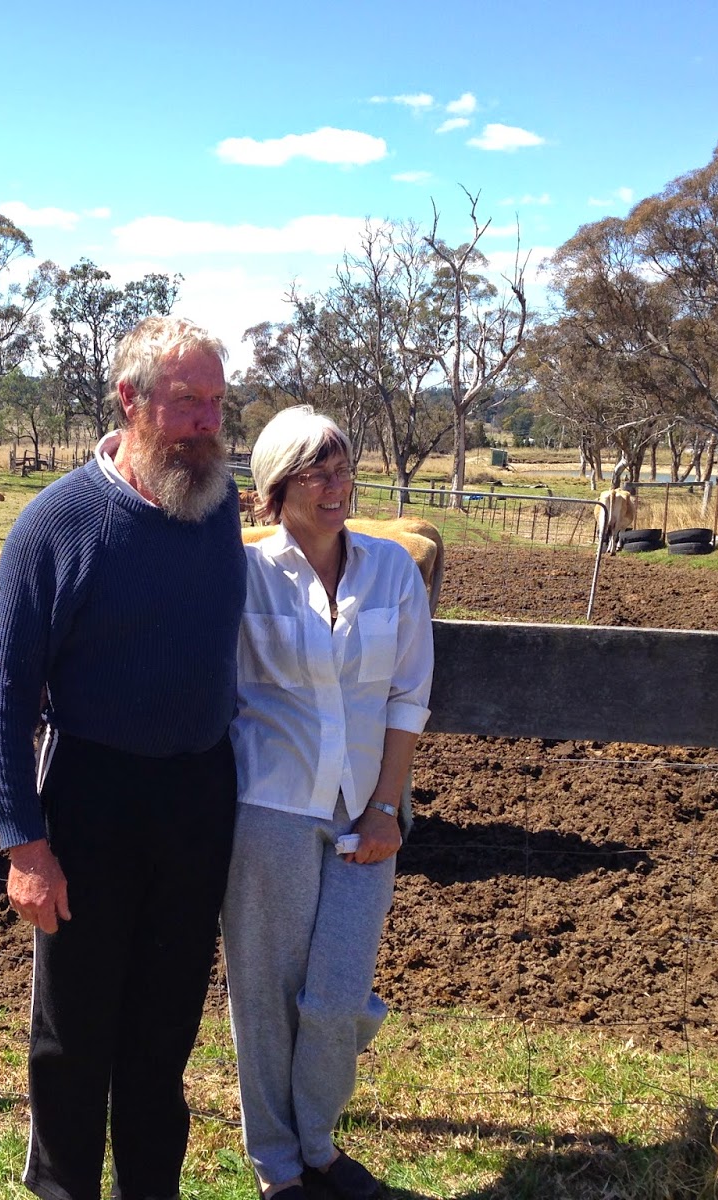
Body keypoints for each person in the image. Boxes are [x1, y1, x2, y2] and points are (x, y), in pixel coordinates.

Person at [0, 316, 246, 1200]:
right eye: (184, 402)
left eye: (215, 401)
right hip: (94, 798)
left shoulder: (218, 504)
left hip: (199, 797)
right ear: (130, 401)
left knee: (165, 1030)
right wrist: (24, 843)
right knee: (74, 1032)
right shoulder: (58, 523)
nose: (206, 421)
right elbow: (4, 695)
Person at [223, 406, 433, 1200]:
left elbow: (408, 697)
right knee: (266, 995)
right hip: (268, 808)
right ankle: (281, 1163)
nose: (337, 486)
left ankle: (318, 1138)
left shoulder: (392, 570)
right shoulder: (242, 575)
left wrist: (387, 807)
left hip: (363, 814)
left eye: (344, 468)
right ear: (278, 486)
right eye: (316, 471)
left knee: (338, 992)